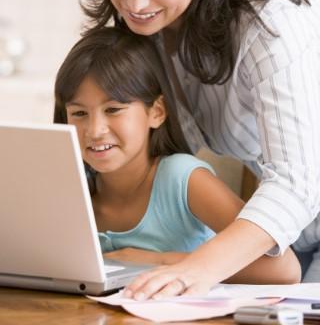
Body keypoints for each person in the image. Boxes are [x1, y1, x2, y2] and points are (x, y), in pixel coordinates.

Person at [79, 0, 320, 298]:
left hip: (297, 215)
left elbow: (297, 183)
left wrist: (196, 269)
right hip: (284, 236)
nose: (135, 1)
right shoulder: (147, 29)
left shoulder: (272, 22)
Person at [54, 27, 300, 286]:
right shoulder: (70, 185)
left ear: (157, 112)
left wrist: (155, 261)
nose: (94, 131)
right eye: (79, 114)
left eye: (114, 109)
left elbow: (283, 270)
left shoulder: (182, 179)